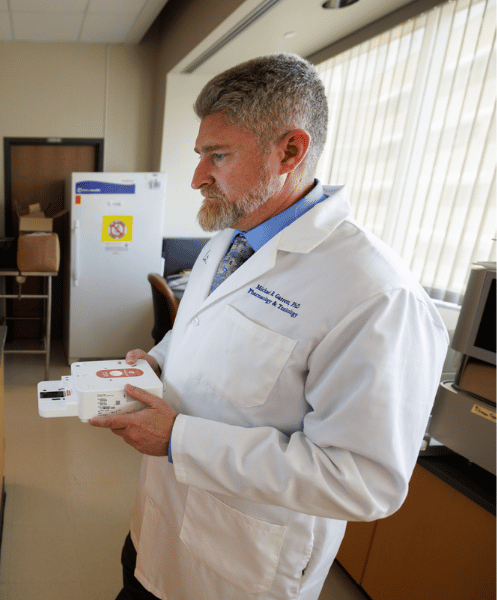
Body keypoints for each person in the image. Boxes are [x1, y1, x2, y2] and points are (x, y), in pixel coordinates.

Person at [89, 53, 449, 600]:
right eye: (200, 154)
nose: (196, 177)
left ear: (291, 150)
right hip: (155, 528)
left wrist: (178, 438)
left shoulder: (376, 294)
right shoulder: (228, 241)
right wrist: (157, 360)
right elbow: (199, 333)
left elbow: (361, 481)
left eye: (218, 155)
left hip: (235, 567)